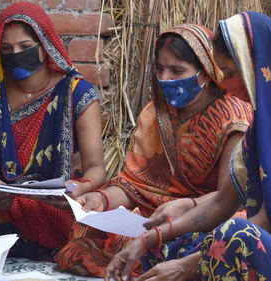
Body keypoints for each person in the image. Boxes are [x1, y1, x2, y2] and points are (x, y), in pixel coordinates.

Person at [105, 11, 271, 281]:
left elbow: (265, 224)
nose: (223, 82)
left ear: (256, 65)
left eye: (230, 72)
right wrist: (146, 240)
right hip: (269, 253)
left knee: (234, 235)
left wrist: (188, 266)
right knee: (164, 248)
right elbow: (221, 203)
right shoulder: (265, 123)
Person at [55, 24, 254, 277]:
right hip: (154, 217)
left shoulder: (233, 117)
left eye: (177, 71)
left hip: (205, 216)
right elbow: (134, 187)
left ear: (206, 72)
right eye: (160, 69)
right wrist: (101, 199)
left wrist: (184, 207)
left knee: (222, 237)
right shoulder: (155, 113)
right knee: (85, 229)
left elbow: (227, 197)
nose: (166, 79)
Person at [0, 1, 106, 259]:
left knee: (89, 217)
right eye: (7, 49)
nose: (16, 55)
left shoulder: (76, 92)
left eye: (25, 48)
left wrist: (80, 188)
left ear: (44, 48)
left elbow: (97, 168)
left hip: (56, 204)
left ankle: (42, 248)